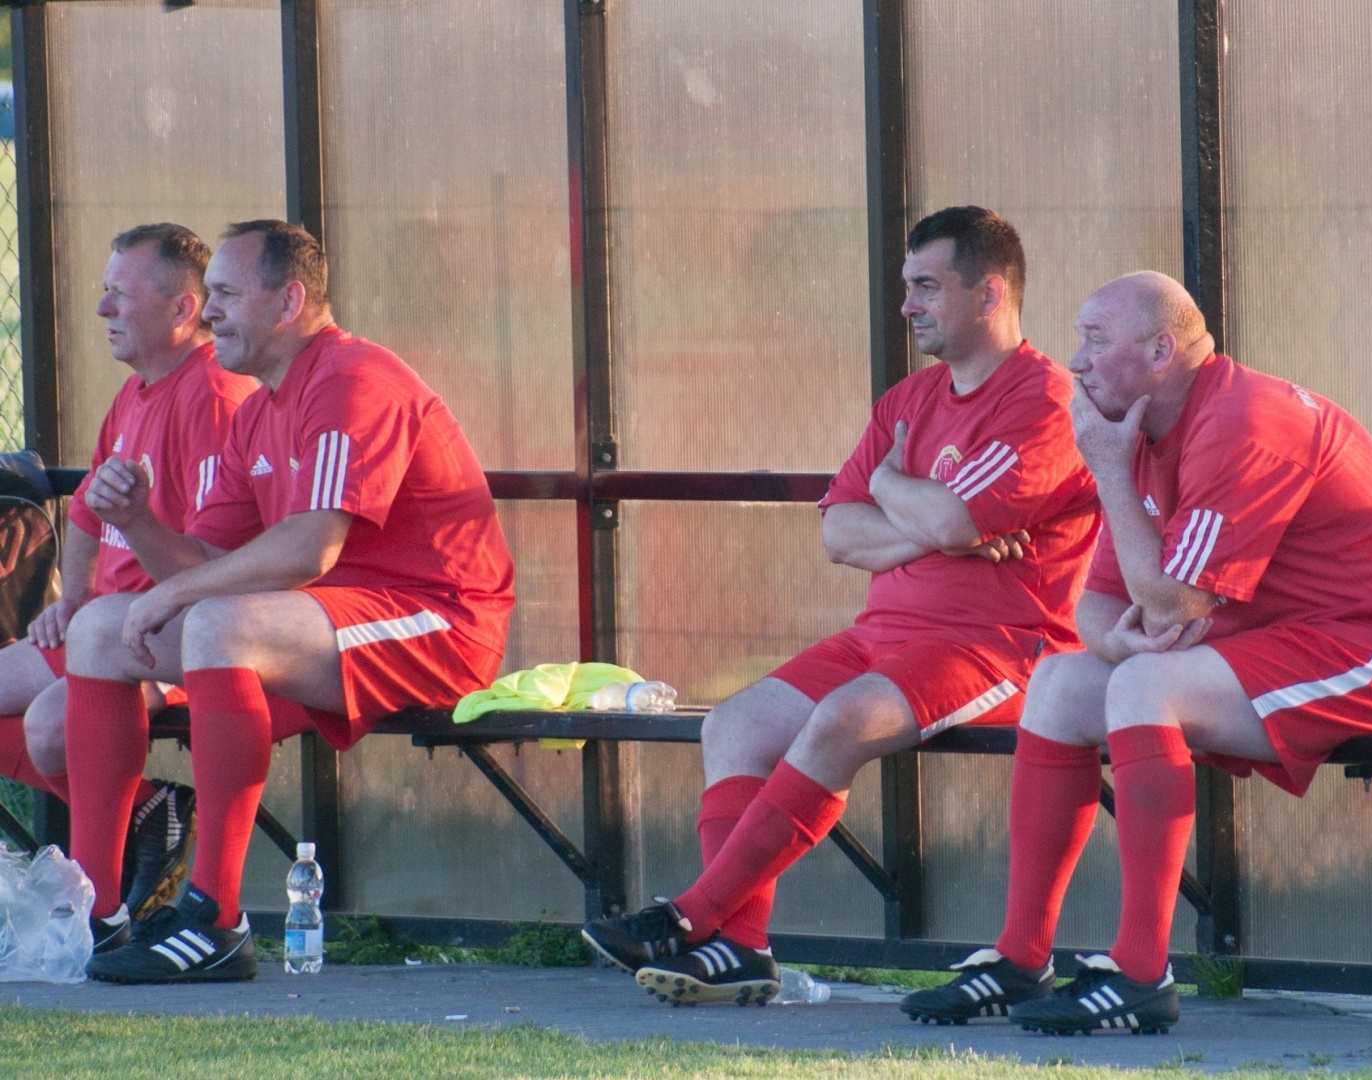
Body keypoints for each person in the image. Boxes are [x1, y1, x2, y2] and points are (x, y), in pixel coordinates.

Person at [902, 271, 1372, 1034]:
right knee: (1062, 683)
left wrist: (1106, 482)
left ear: (1162, 348)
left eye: (1096, 340)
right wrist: (1122, 637)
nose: (1076, 362)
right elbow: (1095, 605)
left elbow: (1170, 604)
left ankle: (1140, 973)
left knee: (1143, 688)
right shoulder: (1136, 427)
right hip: (1279, 647)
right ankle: (1021, 958)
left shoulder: (1241, 420)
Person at [582, 206, 1102, 1006]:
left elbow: (952, 518)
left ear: (989, 292)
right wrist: (936, 526)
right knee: (735, 724)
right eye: (906, 287)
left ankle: (694, 916)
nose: (907, 305)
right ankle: (742, 951)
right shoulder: (907, 401)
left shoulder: (1044, 399)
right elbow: (840, 534)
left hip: (997, 645)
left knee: (839, 721)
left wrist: (898, 489)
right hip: (882, 636)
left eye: (926, 286)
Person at [64, 219, 515, 983]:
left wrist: (176, 592)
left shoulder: (352, 378)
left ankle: (217, 914)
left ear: (290, 301)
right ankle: (95, 910)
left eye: (230, 296)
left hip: (441, 620)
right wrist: (137, 521)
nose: (210, 314)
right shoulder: (258, 411)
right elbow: (207, 559)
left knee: (215, 620)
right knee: (102, 628)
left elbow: (310, 549)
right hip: (326, 620)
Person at [0, 224, 257, 925]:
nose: (101, 310)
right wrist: (75, 599)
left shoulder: (215, 397)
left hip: (166, 634)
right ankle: (154, 811)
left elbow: (211, 569)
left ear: (182, 309)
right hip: (104, 626)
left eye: (119, 293)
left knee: (52, 726)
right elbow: (85, 513)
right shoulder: (138, 391)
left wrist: (104, 610)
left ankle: (106, 900)